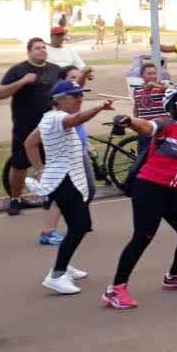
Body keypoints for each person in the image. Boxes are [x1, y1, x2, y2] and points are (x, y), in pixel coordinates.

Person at [100, 84, 177, 310]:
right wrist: (129, 121)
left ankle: (174, 276)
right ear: (172, 107)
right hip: (149, 188)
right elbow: (147, 126)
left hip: (173, 190)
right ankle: (115, 289)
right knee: (143, 237)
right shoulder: (167, 124)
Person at [24, 81, 115, 294]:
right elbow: (76, 119)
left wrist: (40, 169)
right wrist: (99, 107)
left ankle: (64, 265)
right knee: (80, 226)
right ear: (60, 99)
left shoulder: (50, 118)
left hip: (67, 180)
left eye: (81, 95)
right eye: (75, 96)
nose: (79, 99)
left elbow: (29, 142)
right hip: (64, 181)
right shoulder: (56, 118)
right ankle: (57, 275)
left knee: (79, 225)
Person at [0, 37, 63, 216]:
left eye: (44, 48)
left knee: (50, 163)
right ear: (29, 52)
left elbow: (67, 89)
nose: (42, 50)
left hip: (50, 126)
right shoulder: (18, 70)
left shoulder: (55, 70)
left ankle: (50, 196)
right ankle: (15, 199)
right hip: (25, 125)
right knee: (20, 164)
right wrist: (23, 81)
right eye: (37, 48)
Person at [132, 62, 169, 154]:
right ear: (142, 76)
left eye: (154, 73)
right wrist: (135, 122)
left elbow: (173, 89)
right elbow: (136, 107)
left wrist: (155, 85)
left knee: (162, 154)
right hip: (144, 127)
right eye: (149, 74)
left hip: (160, 127)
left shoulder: (162, 87)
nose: (152, 76)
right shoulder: (137, 89)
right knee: (143, 153)